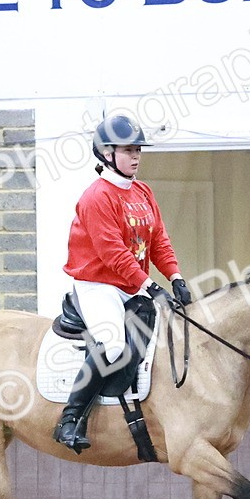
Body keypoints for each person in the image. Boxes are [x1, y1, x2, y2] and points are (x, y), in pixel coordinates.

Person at [53, 113, 191, 453]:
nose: (136, 156)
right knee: (113, 345)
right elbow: (113, 253)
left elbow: (158, 239)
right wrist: (149, 286)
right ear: (106, 153)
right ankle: (70, 420)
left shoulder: (142, 191)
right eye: (127, 150)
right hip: (98, 284)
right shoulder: (97, 197)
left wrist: (175, 276)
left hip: (131, 284)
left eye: (137, 150)